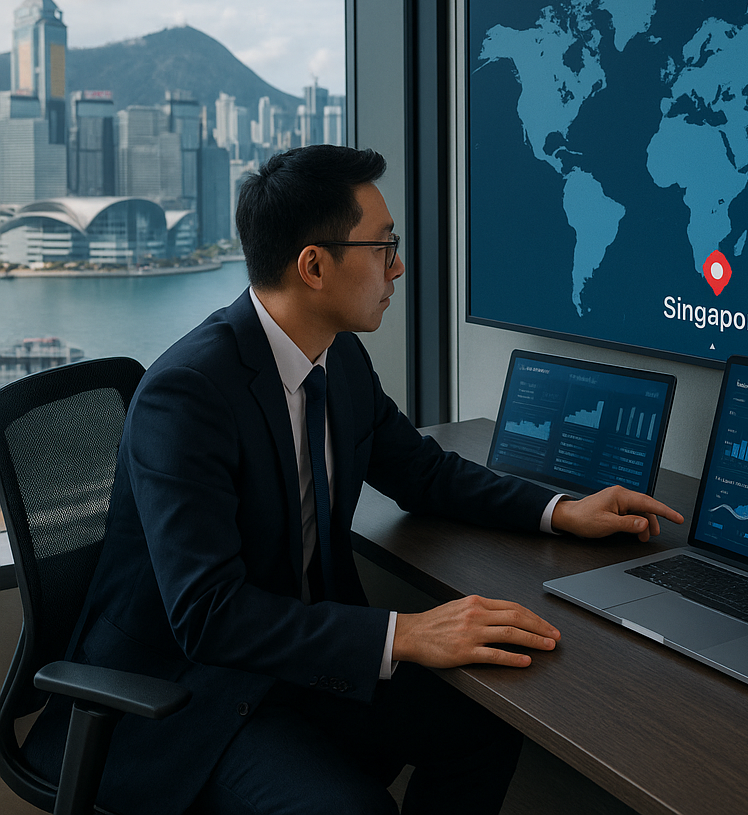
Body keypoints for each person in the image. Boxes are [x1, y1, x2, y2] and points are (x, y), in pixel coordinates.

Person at [23, 145, 684, 815]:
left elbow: (423, 472)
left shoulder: (337, 356)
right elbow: (209, 616)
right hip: (192, 693)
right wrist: (407, 633)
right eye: (382, 246)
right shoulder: (188, 394)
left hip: (295, 656)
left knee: (483, 728)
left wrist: (562, 510)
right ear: (314, 266)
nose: (397, 266)